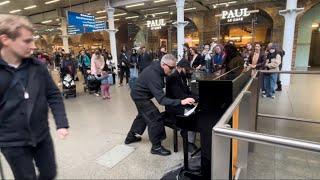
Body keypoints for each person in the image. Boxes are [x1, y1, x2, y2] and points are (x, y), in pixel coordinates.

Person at [0, 14, 69, 180]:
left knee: (49, 172)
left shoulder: (37, 66)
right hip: (12, 142)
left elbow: (53, 94)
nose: (33, 46)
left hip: (41, 135)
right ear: (5, 39)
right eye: (27, 41)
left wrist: (61, 123)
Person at [124, 54, 195, 156]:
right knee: (155, 117)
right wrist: (181, 102)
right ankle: (156, 147)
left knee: (143, 116)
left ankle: (130, 137)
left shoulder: (159, 67)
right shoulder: (154, 75)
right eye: (171, 68)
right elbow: (161, 100)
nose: (173, 70)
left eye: (174, 67)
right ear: (163, 64)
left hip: (141, 93)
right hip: (140, 96)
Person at [165, 59, 199, 152]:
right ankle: (188, 142)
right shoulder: (172, 77)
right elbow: (179, 95)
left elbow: (187, 92)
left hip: (180, 103)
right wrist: (194, 99)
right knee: (191, 115)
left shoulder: (182, 76)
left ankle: (190, 139)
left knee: (196, 111)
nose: (187, 71)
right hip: (173, 106)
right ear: (180, 67)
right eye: (186, 69)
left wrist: (197, 97)